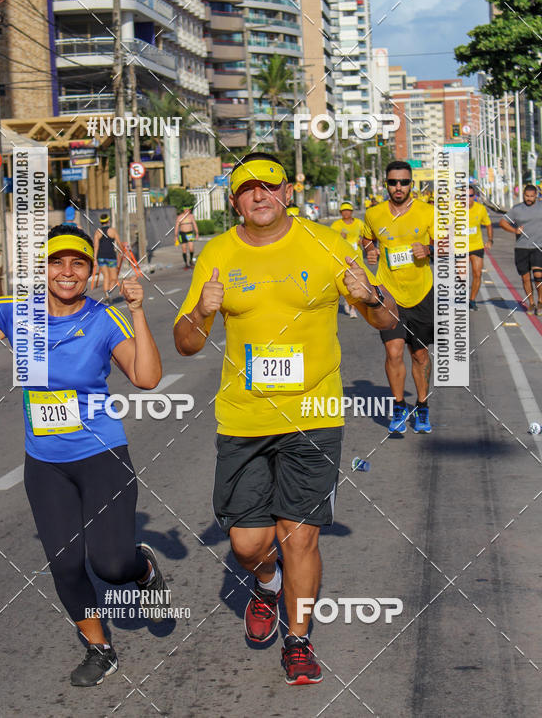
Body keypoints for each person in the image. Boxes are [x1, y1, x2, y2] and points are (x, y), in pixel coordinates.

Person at [173, 153, 397, 686]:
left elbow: (387, 320)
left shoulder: (326, 244)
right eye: (248, 190)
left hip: (314, 415)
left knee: (299, 536)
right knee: (250, 544)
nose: (259, 197)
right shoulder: (218, 253)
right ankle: (266, 585)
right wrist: (202, 311)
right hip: (244, 419)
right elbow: (184, 344)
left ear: (287, 193)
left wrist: (373, 295)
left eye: (269, 187)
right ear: (234, 202)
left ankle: (298, 640)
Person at [0, 225, 168, 687]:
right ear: (43, 269)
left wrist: (138, 311)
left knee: (111, 565)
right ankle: (99, 649)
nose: (66, 272)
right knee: (65, 564)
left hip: (101, 454)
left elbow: (147, 379)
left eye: (77, 263)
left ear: (89, 272)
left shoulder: (105, 320)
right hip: (44, 463)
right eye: (57, 262)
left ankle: (141, 567)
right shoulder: (19, 314)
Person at [363, 160, 436, 435]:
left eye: (404, 182)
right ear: (386, 184)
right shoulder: (374, 214)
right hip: (388, 294)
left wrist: (428, 249)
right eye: (393, 182)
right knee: (393, 351)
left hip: (421, 293)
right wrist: (369, 251)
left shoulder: (427, 212)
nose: (398, 187)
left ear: (411, 184)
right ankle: (398, 407)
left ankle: (422, 406)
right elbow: (367, 239)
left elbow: (449, 244)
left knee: (419, 355)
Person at [499, 184, 542, 315]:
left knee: (538, 275)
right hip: (521, 247)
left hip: (538, 246)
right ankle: (531, 303)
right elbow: (503, 222)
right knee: (525, 278)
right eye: (526, 196)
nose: (529, 198)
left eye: (531, 196)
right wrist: (514, 230)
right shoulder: (517, 209)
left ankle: (540, 301)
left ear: (536, 195)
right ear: (523, 195)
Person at [331, 202, 365, 318]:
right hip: (342, 258)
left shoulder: (359, 223)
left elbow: (366, 236)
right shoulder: (336, 225)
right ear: (341, 213)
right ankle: (347, 300)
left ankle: (353, 308)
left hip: (356, 256)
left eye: (348, 211)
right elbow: (331, 240)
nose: (346, 213)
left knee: (355, 281)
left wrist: (362, 240)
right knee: (343, 282)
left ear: (351, 212)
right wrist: (340, 237)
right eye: (343, 211)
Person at [466, 185, 493, 311]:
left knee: (477, 273)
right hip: (460, 247)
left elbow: (488, 224)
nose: (467, 198)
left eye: (470, 195)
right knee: (461, 276)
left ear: (474, 196)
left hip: (476, 246)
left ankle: (472, 300)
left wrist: (490, 239)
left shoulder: (480, 209)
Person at [93, 213, 123, 299]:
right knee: (114, 278)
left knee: (106, 276)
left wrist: (95, 259)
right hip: (111, 256)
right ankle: (109, 291)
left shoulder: (98, 232)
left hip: (101, 257)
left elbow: (96, 246)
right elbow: (119, 243)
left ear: (100, 222)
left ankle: (107, 294)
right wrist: (122, 251)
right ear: (108, 221)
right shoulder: (112, 231)